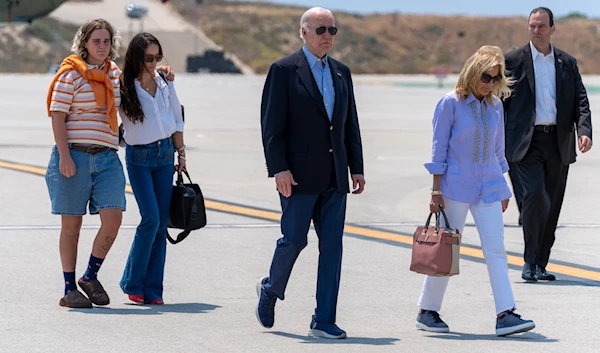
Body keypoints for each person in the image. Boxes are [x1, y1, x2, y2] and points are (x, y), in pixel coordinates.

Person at [256, 7, 365, 339]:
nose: (328, 36)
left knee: (332, 248)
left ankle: (323, 319)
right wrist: (279, 169)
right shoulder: (284, 70)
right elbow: (271, 126)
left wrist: (356, 168)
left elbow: (350, 125)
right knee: (293, 240)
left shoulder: (342, 73)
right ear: (303, 32)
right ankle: (271, 288)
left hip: (335, 177)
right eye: (321, 30)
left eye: (333, 30)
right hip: (298, 176)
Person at [418, 45, 535, 337]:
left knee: (496, 250)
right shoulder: (450, 103)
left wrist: (504, 186)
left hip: (489, 188)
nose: (490, 84)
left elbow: (498, 151)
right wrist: (435, 191)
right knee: (447, 250)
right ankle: (428, 311)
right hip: (454, 188)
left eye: (496, 79)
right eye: (486, 77)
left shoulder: (495, 106)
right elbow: (439, 148)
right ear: (472, 72)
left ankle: (505, 313)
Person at [504, 7, 592, 282]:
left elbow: (580, 99)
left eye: (541, 26)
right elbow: (500, 102)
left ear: (553, 29)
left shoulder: (567, 62)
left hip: (558, 141)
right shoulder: (512, 61)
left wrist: (584, 130)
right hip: (525, 144)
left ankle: (541, 263)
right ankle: (529, 261)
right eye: (532, 26)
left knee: (551, 205)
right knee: (536, 197)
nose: (536, 31)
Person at [46, 19, 125, 308]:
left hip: (106, 158)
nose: (102, 46)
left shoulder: (115, 73)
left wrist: (161, 70)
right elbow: (57, 115)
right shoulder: (71, 75)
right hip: (75, 156)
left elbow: (132, 96)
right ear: (85, 43)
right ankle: (69, 289)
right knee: (72, 225)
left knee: (113, 219)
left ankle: (90, 276)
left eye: (106, 41)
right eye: (96, 41)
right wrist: (65, 156)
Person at [118, 32, 185, 305]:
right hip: (139, 158)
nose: (154, 62)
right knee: (151, 220)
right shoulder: (123, 86)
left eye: (158, 57)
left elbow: (177, 119)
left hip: (165, 156)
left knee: (160, 227)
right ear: (136, 57)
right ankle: (132, 282)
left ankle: (154, 290)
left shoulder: (164, 81)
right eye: (148, 58)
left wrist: (181, 153)